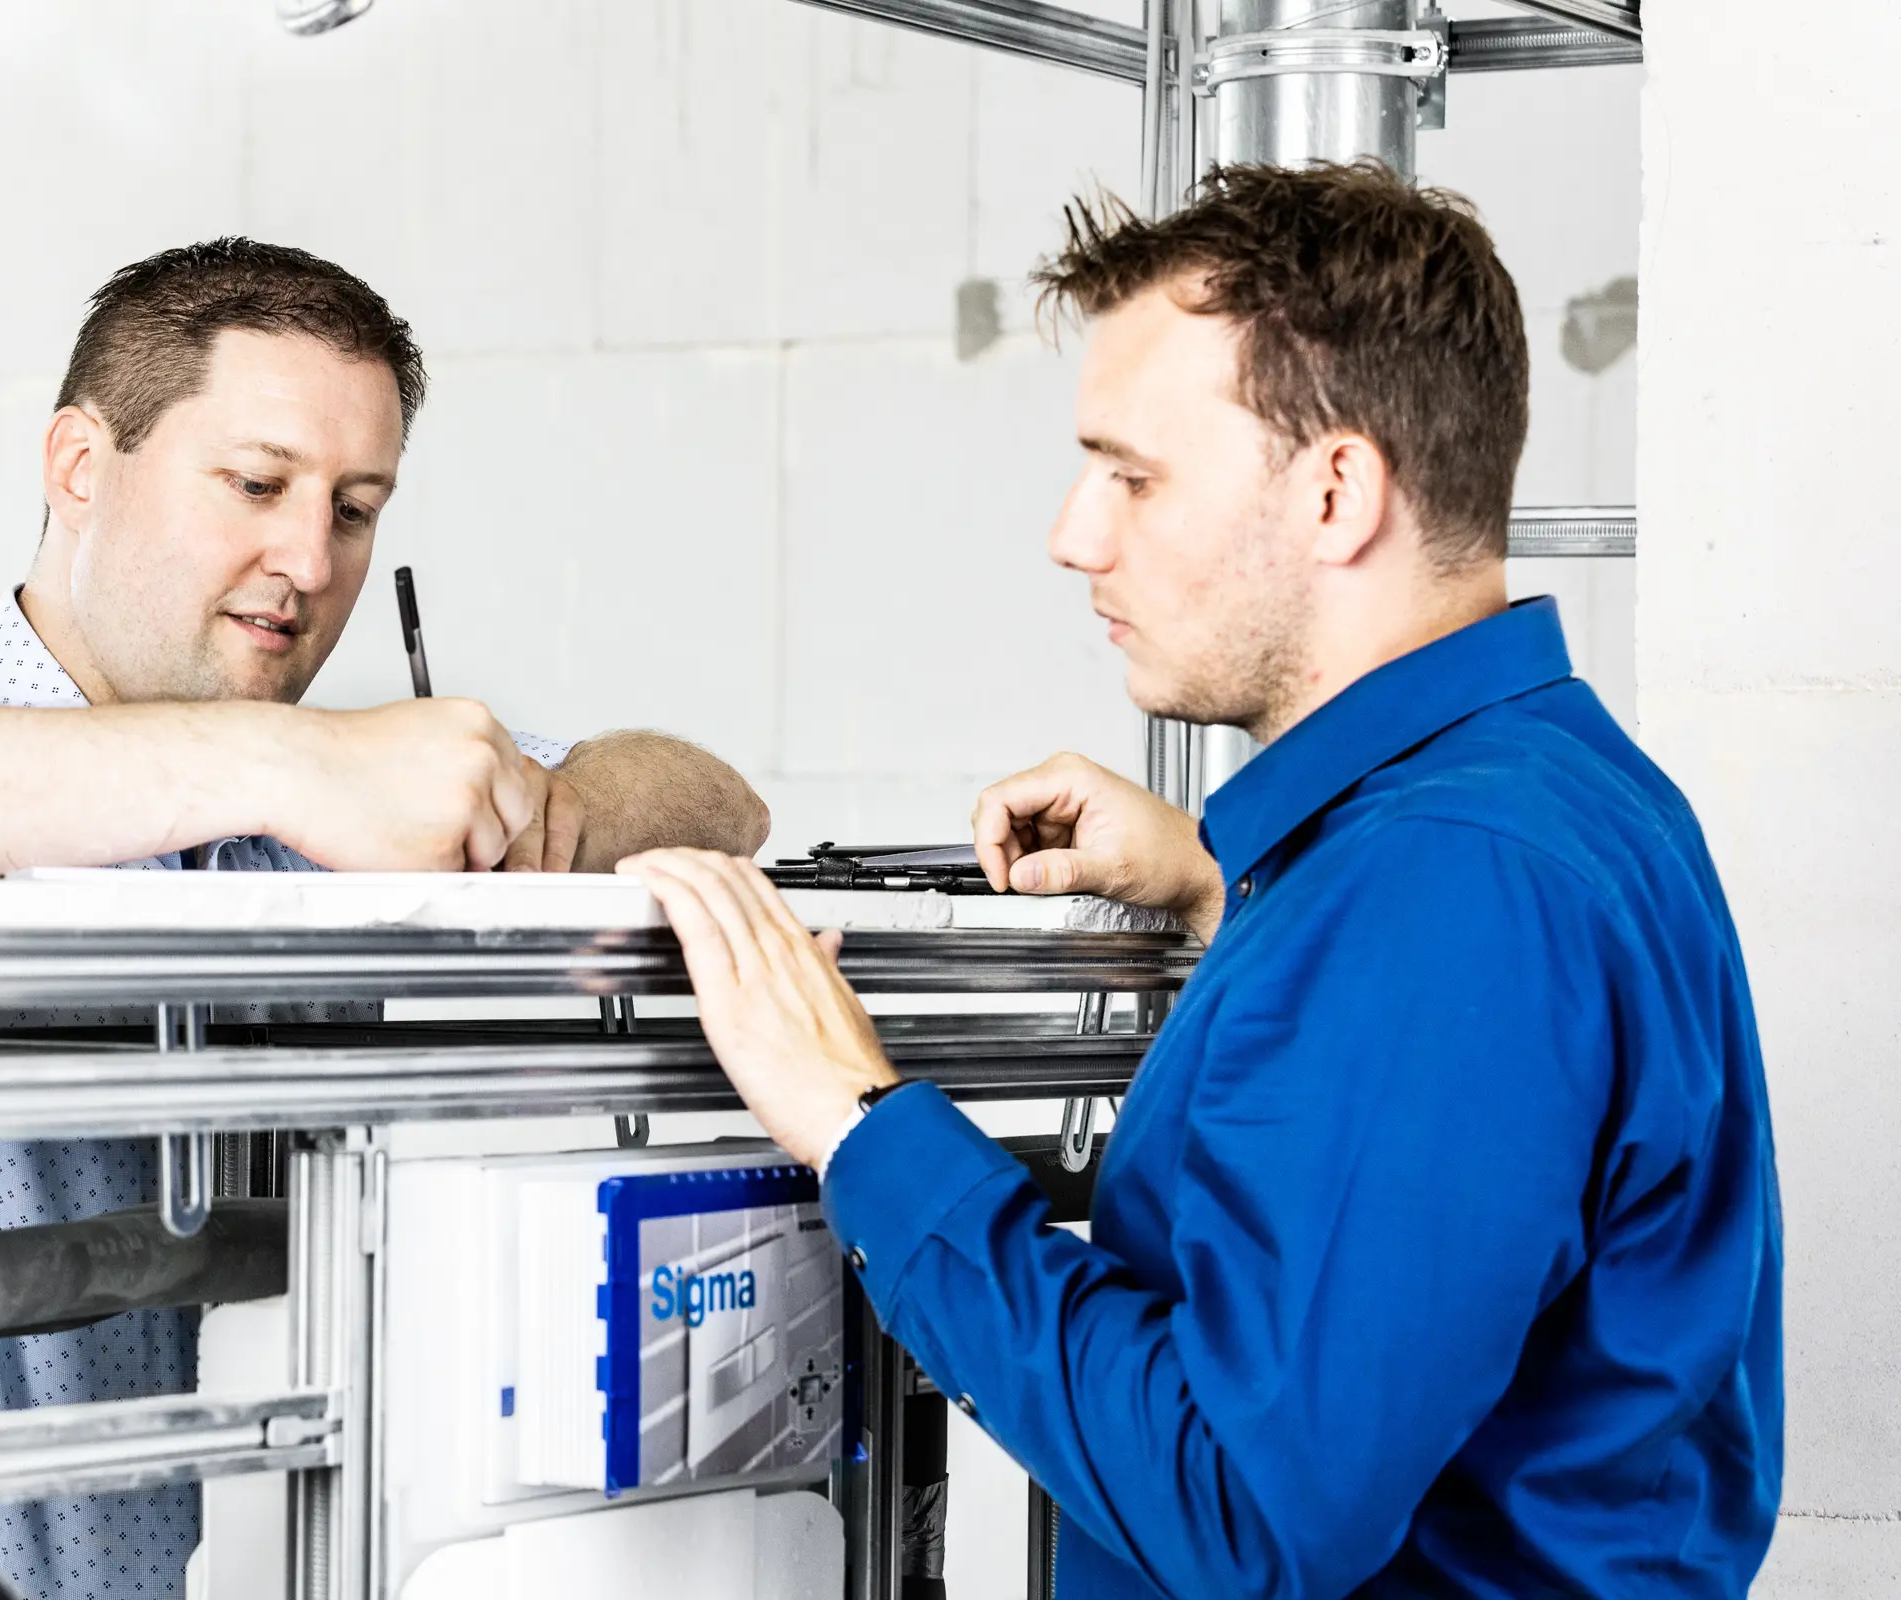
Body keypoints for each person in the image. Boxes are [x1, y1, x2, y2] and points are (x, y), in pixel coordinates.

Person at [621, 164, 1782, 1597]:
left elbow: (1248, 1506)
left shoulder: (1448, 887)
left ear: (1336, 490)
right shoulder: (1527, 800)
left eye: (1133, 475)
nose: (1075, 533)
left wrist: (858, 1125)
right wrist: (1226, 887)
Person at [0, 238, 768, 1600]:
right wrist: (277, 760)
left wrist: (559, 801)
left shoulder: (348, 795)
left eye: (354, 508)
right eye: (256, 484)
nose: (307, 556)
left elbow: (720, 799)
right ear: (77, 466)